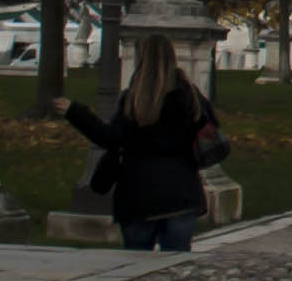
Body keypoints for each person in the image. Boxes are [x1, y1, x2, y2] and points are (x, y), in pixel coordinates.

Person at [63, 38, 222, 253]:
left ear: (141, 61)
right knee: (176, 262)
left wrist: (75, 112)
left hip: (138, 192)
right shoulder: (190, 97)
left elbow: (110, 139)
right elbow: (210, 131)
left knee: (135, 260)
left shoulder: (134, 100)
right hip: (181, 191)